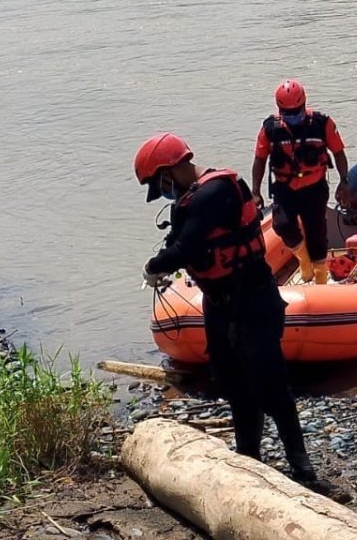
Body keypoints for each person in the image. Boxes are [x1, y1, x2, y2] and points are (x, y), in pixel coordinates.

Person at [134, 132, 338, 496]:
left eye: (159, 183)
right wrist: (165, 261)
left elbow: (185, 246)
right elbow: (181, 242)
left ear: (172, 169)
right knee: (234, 385)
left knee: (271, 385)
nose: (161, 192)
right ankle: (248, 459)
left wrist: (154, 267)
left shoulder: (215, 191)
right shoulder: (190, 198)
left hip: (253, 299)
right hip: (219, 304)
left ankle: (303, 469)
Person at [251, 79, 350, 285]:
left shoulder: (322, 124)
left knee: (316, 232)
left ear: (304, 105)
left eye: (297, 112)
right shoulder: (270, 128)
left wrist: (344, 180)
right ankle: (304, 260)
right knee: (282, 225)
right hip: (285, 187)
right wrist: (255, 191)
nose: (293, 117)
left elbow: (338, 152)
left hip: (314, 187)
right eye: (288, 114)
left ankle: (320, 276)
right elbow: (259, 160)